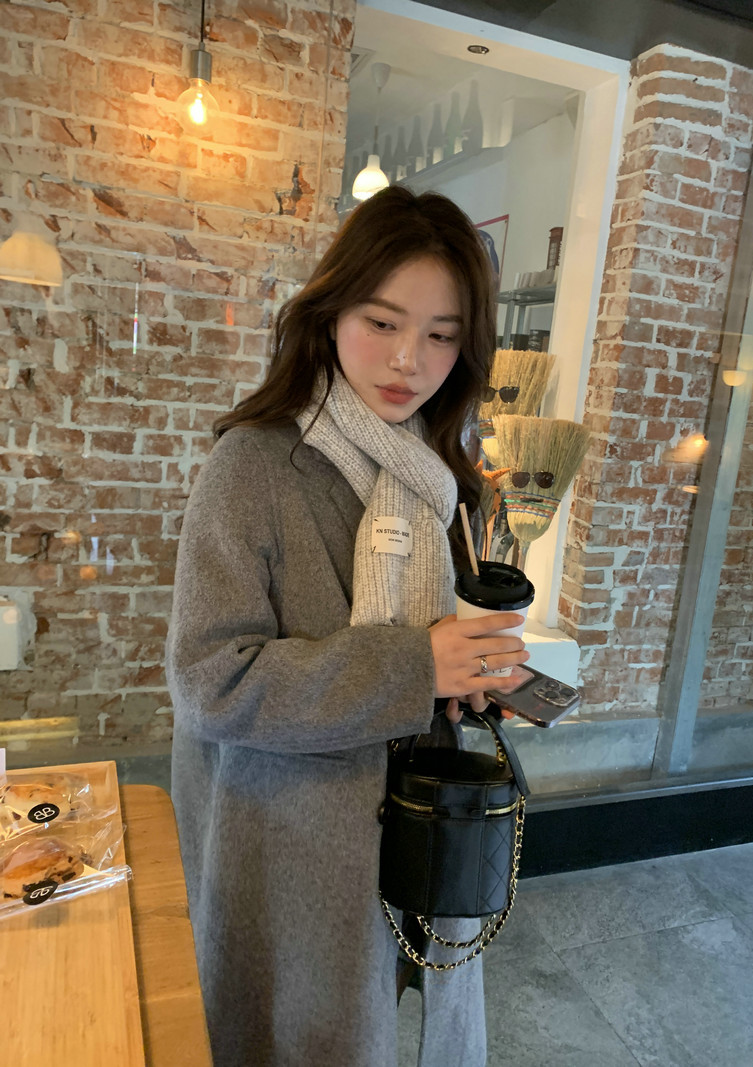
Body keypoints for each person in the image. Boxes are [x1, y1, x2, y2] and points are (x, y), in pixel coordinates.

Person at [166, 185, 530, 1067]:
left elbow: (430, 648)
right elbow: (210, 681)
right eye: (382, 320)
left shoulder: (439, 474)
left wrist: (468, 681)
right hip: (285, 854)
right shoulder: (253, 465)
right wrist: (417, 666)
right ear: (331, 311)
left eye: (442, 334)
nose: (409, 359)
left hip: (411, 830)